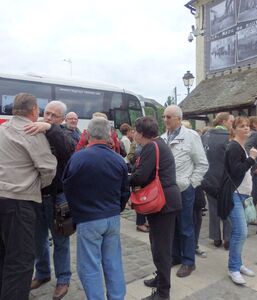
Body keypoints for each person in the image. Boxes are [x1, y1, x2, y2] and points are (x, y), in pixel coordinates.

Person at [0, 93, 57, 300]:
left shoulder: (4, 127)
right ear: (34, 111)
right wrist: (34, 186)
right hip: (14, 200)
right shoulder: (31, 132)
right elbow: (49, 169)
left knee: (3, 255)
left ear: (14, 110)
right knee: (20, 261)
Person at [63, 117, 129, 300]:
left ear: (87, 134)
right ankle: (117, 297)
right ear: (109, 135)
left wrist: (77, 212)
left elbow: (67, 188)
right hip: (112, 217)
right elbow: (125, 191)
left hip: (88, 218)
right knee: (113, 262)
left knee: (90, 265)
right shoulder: (118, 159)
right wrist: (117, 208)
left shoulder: (77, 158)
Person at [24, 101, 74, 300]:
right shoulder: (35, 131)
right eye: (47, 114)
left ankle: (63, 279)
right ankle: (43, 273)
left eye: (54, 116)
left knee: (61, 239)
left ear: (61, 119)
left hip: (58, 196)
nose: (49, 117)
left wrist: (50, 128)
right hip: (35, 194)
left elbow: (65, 150)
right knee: (38, 239)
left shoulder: (65, 134)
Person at [130, 117, 182, 300]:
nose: (133, 133)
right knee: (157, 245)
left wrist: (126, 177)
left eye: (135, 130)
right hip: (165, 201)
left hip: (164, 202)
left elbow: (141, 176)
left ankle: (163, 293)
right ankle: (160, 279)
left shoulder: (152, 146)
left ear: (141, 133)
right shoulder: (155, 144)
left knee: (161, 249)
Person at [161, 105, 208, 278]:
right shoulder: (163, 137)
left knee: (186, 226)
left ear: (179, 119)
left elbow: (202, 163)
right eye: (164, 117)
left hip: (183, 189)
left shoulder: (191, 136)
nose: (165, 120)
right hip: (167, 190)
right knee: (171, 225)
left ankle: (189, 261)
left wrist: (191, 183)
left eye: (169, 117)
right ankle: (176, 256)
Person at [219, 116, 257, 285]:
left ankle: (238, 264)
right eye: (242, 126)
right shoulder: (234, 147)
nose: (246, 128)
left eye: (248, 126)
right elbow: (236, 171)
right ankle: (233, 268)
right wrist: (252, 158)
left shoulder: (240, 146)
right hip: (234, 194)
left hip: (243, 194)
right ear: (234, 129)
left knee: (241, 233)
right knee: (240, 232)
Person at [201, 112, 233, 250]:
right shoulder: (228, 138)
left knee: (213, 210)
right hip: (224, 179)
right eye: (231, 122)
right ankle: (228, 238)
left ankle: (216, 238)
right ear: (224, 122)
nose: (233, 124)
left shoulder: (205, 136)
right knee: (227, 209)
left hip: (207, 178)